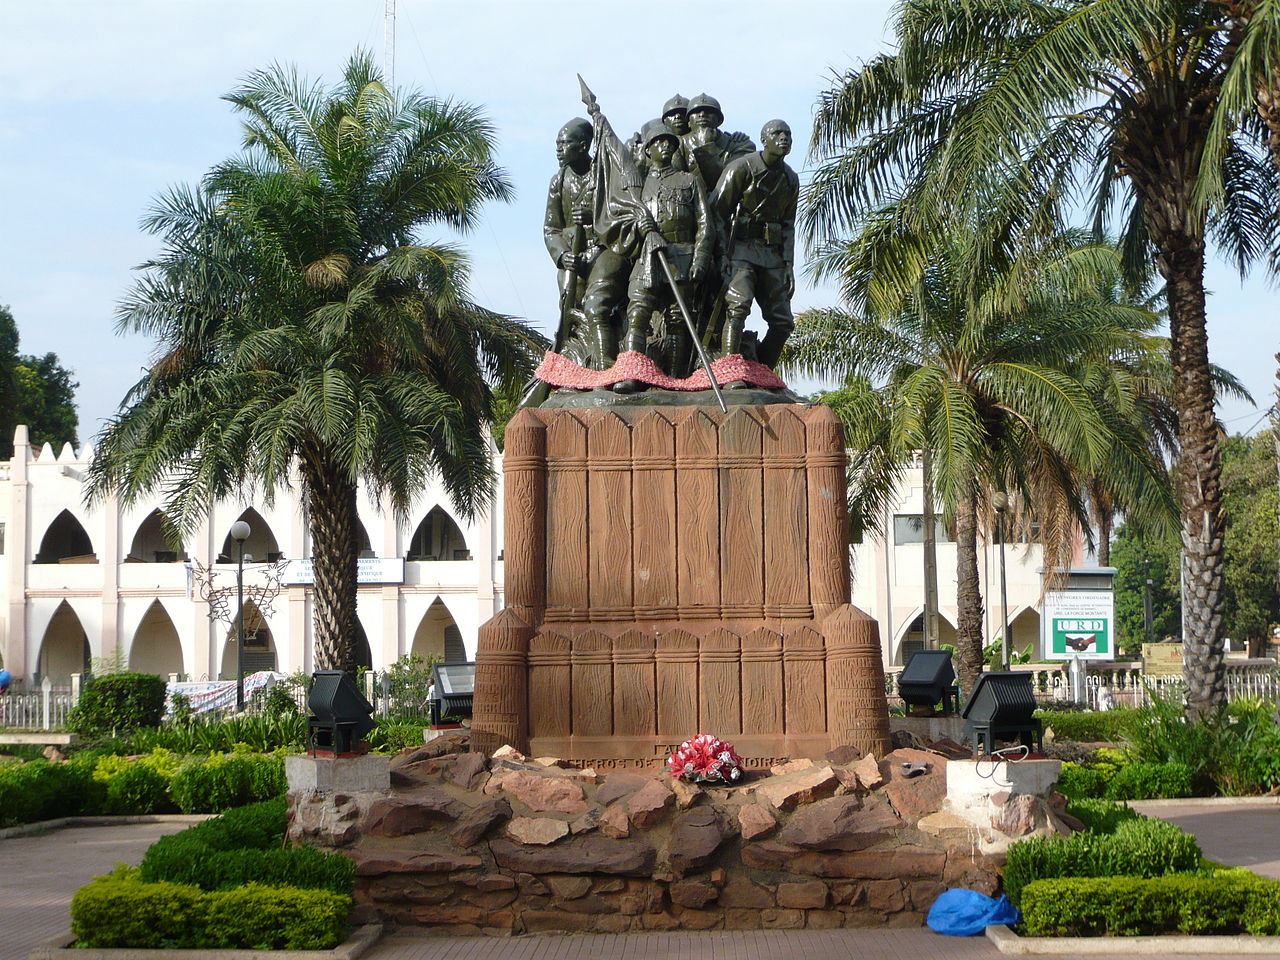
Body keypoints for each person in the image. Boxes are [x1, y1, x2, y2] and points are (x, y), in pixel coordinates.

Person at [607, 119, 711, 392]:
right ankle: (632, 373)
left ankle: (676, 379)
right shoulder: (637, 188)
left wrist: (700, 259)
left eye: (669, 142)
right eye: (658, 143)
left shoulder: (689, 181)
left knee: (677, 320)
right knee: (638, 312)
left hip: (682, 258)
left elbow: (705, 225)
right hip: (647, 259)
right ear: (649, 150)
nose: (665, 146)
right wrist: (640, 226)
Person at [709, 119, 799, 369]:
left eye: (788, 134)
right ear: (764, 139)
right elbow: (717, 212)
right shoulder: (741, 168)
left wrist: (788, 264)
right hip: (740, 249)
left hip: (772, 255)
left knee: (783, 322)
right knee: (738, 308)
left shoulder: (790, 178)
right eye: (777, 133)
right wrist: (721, 255)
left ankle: (764, 372)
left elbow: (788, 224)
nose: (784, 138)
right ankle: (729, 369)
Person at [543, 118, 628, 369]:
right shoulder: (558, 181)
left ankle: (605, 364)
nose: (559, 148)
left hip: (605, 250)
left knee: (596, 306)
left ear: (582, 146)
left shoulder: (606, 174)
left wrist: (596, 217)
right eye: (557, 143)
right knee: (570, 311)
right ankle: (576, 365)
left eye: (565, 142)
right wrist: (561, 255)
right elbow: (551, 228)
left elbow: (625, 213)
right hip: (573, 256)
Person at [682, 93, 755, 194]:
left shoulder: (739, 144)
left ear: (719, 120)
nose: (702, 114)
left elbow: (727, 183)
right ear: (688, 122)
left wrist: (706, 146)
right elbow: (678, 183)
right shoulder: (678, 144)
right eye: (696, 112)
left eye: (709, 111)